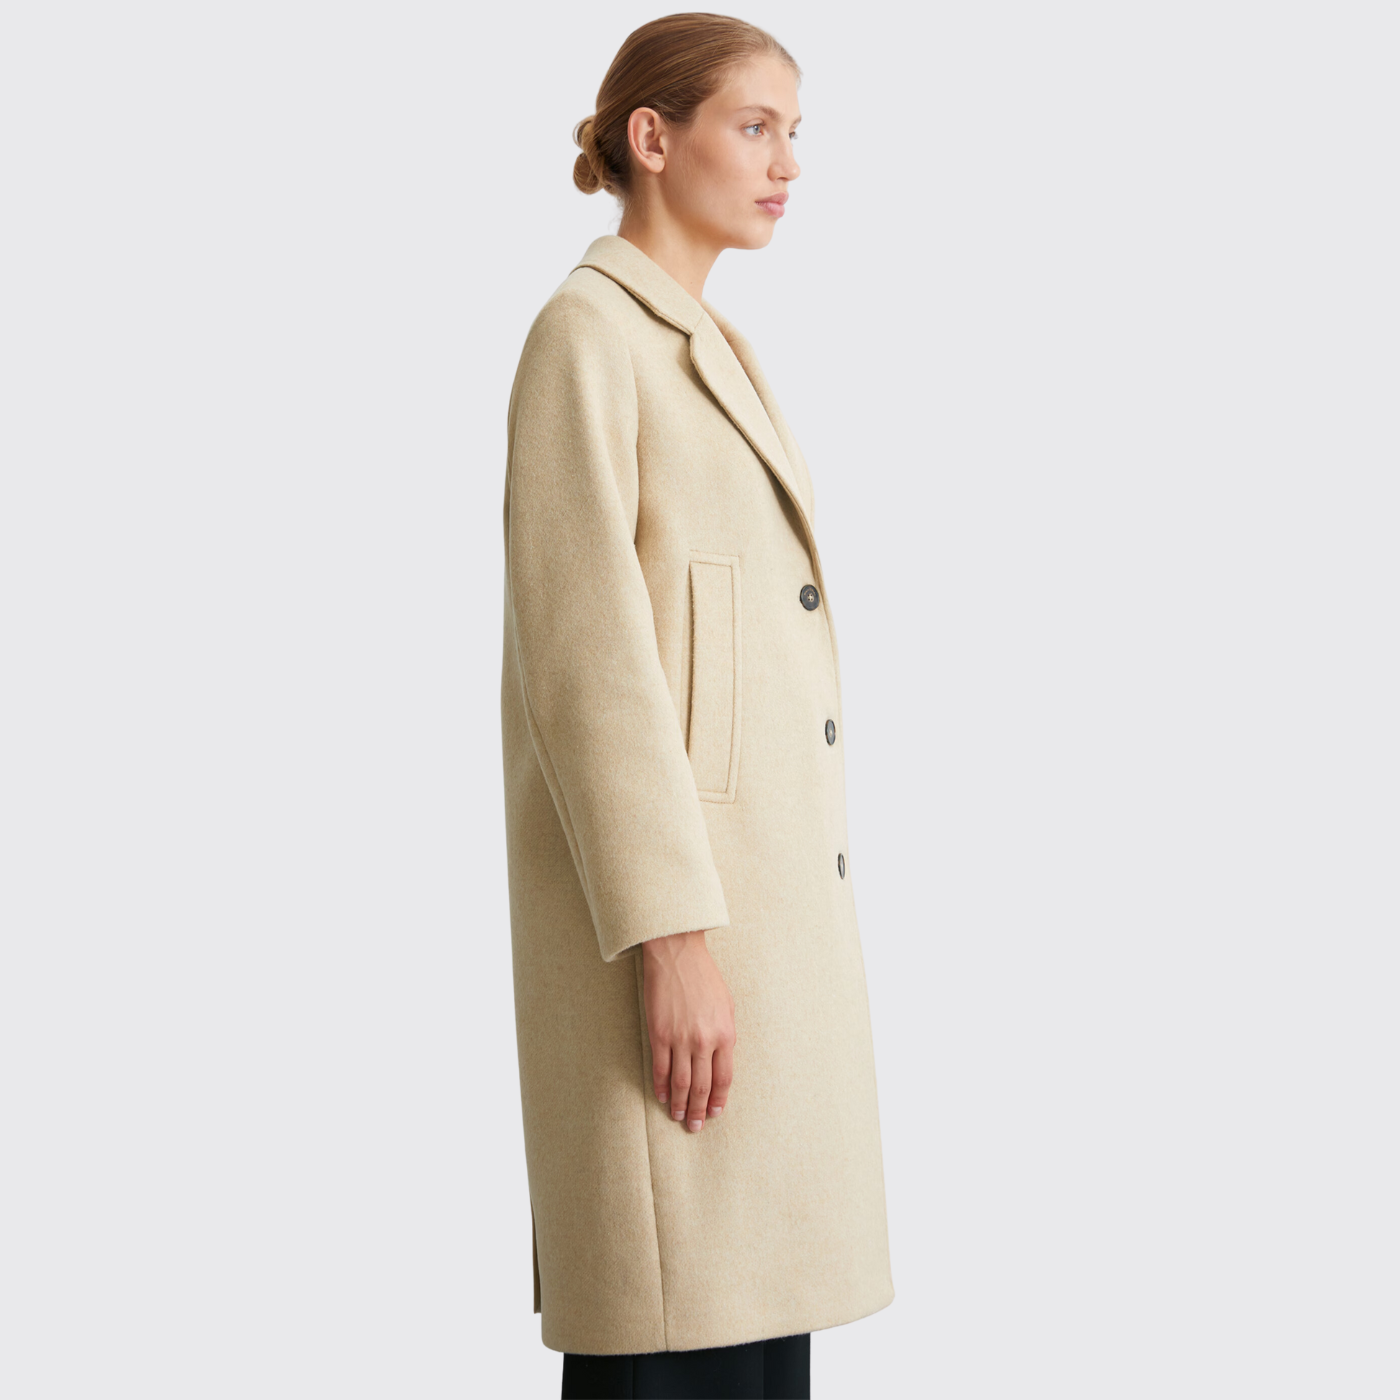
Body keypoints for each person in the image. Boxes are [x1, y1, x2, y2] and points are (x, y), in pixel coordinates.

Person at [501, 15, 893, 1398]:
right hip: (682, 957)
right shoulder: (587, 338)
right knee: (671, 1344)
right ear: (652, 139)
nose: (788, 162)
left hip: (754, 954)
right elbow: (587, 671)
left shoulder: (702, 342)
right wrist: (671, 941)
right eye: (756, 125)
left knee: (748, 1338)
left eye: (796, 131)